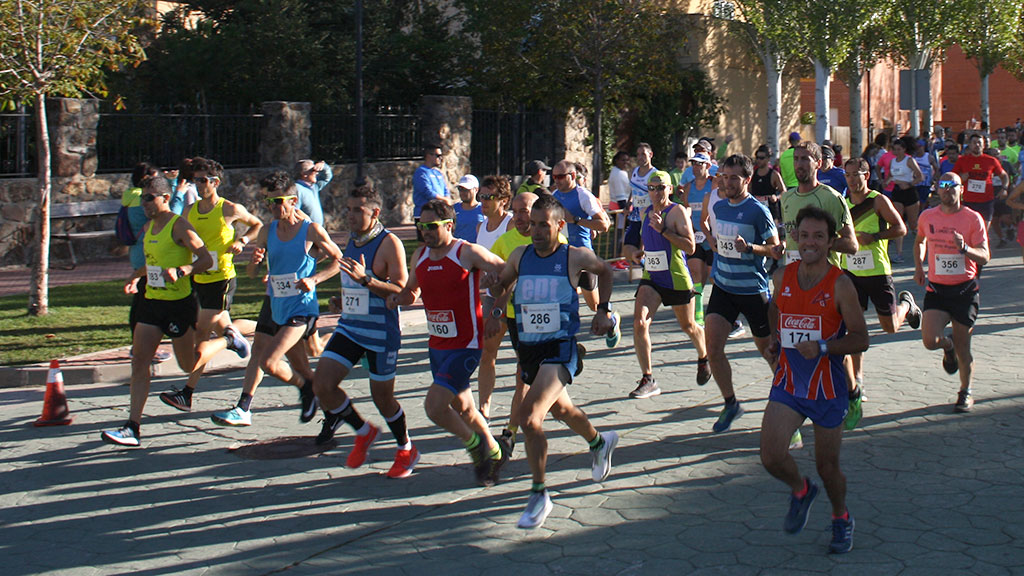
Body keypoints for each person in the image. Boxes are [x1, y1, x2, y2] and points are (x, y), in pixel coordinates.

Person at [486, 194, 619, 530]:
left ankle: (539, 493)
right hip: (529, 348)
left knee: (530, 418)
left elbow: (605, 271)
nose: (536, 231)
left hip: (560, 348)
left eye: (544, 225)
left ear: (560, 226)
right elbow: (501, 282)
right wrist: (496, 296)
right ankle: (599, 442)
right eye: (533, 224)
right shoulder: (520, 255)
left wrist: (603, 311)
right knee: (561, 411)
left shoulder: (574, 256)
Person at [761, 206, 869, 555]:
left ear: (830, 241)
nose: (810, 242)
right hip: (789, 383)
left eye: (819, 237)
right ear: (795, 236)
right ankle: (801, 489)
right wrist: (776, 340)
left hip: (828, 388)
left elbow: (861, 339)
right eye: (805, 235)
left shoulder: (840, 283)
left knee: (828, 467)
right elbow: (775, 309)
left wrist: (823, 346)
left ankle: (841, 516)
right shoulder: (782, 276)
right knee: (771, 456)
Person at [387, 199, 509, 486]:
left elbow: (508, 271)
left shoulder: (466, 252)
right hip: (437, 346)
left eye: (431, 226)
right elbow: (410, 293)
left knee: (434, 407)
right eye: (421, 226)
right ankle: (494, 450)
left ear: (449, 225)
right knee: (464, 409)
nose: (425, 231)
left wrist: (497, 306)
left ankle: (475, 446)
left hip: (466, 345)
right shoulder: (420, 256)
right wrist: (390, 297)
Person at [311, 185, 417, 478]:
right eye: (348, 209)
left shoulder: (389, 243)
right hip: (350, 327)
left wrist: (367, 280)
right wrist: (342, 299)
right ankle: (363, 430)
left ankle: (406, 447)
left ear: (375, 212)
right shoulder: (352, 241)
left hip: (380, 333)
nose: (351, 216)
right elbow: (354, 284)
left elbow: (404, 291)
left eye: (358, 210)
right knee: (322, 385)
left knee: (382, 399)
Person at [210, 172, 332, 426]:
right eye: (267, 201)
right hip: (275, 300)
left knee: (302, 353)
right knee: (264, 354)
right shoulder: (268, 230)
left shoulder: (308, 226)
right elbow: (255, 271)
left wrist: (312, 278)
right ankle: (244, 407)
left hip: (300, 303)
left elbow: (330, 257)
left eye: (276, 201)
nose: (271, 207)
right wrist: (256, 266)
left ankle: (319, 390)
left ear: (292, 201)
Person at [101, 175, 213, 446]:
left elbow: (207, 258)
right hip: (151, 303)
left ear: (165, 197)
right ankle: (132, 426)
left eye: (150, 197)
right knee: (139, 361)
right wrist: (136, 277)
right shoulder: (149, 227)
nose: (145, 203)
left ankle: (226, 341)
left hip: (179, 305)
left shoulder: (180, 226)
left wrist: (184, 269)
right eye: (142, 198)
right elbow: (153, 263)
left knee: (188, 364)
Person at [157, 157, 262, 413]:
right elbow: (184, 238)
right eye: (197, 180)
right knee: (213, 331)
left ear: (216, 182)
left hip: (221, 278)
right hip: (198, 278)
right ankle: (256, 331)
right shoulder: (190, 210)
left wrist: (243, 241)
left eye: (205, 180)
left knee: (200, 333)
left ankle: (187, 392)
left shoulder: (229, 208)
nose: (200, 184)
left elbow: (257, 224)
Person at [703, 154, 781, 433]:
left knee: (769, 352)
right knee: (712, 348)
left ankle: (789, 409)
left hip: (752, 290)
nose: (727, 182)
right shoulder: (720, 206)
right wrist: (714, 242)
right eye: (724, 176)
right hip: (723, 287)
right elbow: (712, 232)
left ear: (747, 180)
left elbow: (776, 248)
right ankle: (731, 403)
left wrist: (749, 248)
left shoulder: (758, 210)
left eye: (734, 177)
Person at [840, 157, 918, 429]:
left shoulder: (878, 201)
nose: (851, 179)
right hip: (850, 274)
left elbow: (901, 229)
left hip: (877, 272)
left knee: (889, 328)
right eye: (848, 175)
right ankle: (858, 380)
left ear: (866, 174)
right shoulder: (843, 204)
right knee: (854, 330)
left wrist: (874, 237)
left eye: (856, 174)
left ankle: (906, 306)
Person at [621, 170, 710, 398]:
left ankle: (703, 356)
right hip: (652, 278)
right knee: (640, 322)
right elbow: (632, 245)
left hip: (677, 278)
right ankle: (648, 378)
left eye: (661, 187)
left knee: (688, 326)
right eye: (652, 188)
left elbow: (690, 247)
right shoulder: (643, 212)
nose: (656, 192)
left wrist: (664, 230)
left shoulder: (677, 212)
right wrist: (636, 255)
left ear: (670, 189)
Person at [913, 173, 990, 412]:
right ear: (937, 190)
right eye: (942, 186)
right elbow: (919, 241)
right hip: (937, 288)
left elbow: (985, 256)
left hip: (964, 290)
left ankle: (965, 391)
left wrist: (965, 248)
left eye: (951, 186)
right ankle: (947, 348)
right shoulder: (927, 216)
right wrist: (918, 266)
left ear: (961, 190)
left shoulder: (972, 219)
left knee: (964, 347)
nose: (946, 190)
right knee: (929, 340)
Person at [550, 160, 617, 331]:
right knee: (558, 301)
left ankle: (612, 320)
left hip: (582, 256)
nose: (556, 180)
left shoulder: (583, 195)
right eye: (554, 176)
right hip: (561, 254)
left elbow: (604, 225)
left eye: (560, 176)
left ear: (572, 176)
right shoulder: (555, 195)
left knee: (594, 305)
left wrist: (577, 221)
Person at [774, 142, 858, 269]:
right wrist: (784, 244)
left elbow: (851, 245)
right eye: (796, 159)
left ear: (818, 163)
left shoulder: (831, 198)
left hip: (824, 276)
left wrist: (812, 240)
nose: (799, 164)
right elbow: (793, 237)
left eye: (805, 159)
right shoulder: (787, 198)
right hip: (795, 274)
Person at [475, 175, 515, 420]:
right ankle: (484, 407)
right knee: (487, 352)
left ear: (504, 200)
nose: (484, 201)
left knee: (527, 356)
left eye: (489, 197)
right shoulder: (480, 227)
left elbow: (516, 267)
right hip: (492, 296)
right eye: (481, 196)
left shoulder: (511, 225)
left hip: (516, 297)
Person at [682, 151, 716, 326]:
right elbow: (687, 208)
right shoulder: (688, 187)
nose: (696, 167)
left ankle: (723, 312)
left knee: (712, 276)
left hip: (711, 235)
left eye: (699, 164)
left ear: (708, 166)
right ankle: (699, 312)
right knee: (695, 273)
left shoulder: (715, 184)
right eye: (693, 164)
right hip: (695, 234)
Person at [952, 133, 1008, 240]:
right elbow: (948, 181)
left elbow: (1004, 175)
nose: (977, 145)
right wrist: (960, 179)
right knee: (968, 231)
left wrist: (1004, 188)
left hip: (986, 201)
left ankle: (982, 254)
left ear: (984, 145)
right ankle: (969, 253)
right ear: (969, 145)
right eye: (974, 143)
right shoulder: (962, 160)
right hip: (968, 202)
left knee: (982, 232)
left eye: (979, 143)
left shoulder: (991, 160)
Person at [882, 137, 924, 264]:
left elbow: (920, 176)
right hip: (897, 193)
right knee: (898, 222)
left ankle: (923, 247)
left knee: (913, 225)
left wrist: (909, 184)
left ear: (904, 149)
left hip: (910, 193)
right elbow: (890, 175)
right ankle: (899, 253)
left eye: (899, 149)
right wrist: (886, 182)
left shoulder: (909, 160)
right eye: (894, 149)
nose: (896, 152)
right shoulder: (893, 161)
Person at [412, 144, 451, 240]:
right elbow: (427, 192)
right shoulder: (421, 172)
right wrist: (444, 200)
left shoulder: (438, 173)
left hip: (438, 213)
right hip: (424, 214)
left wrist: (447, 198)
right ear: (428, 156)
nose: (440, 158)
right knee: (425, 242)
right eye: (437, 155)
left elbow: (445, 190)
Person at [293, 159, 333, 226]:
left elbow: (327, 177)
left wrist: (323, 165)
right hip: (305, 231)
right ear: (303, 173)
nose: (317, 173)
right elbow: (294, 212)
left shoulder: (314, 187)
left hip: (316, 230)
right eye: (313, 170)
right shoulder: (297, 189)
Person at [452, 174, 483, 242]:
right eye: (460, 189)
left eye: (466, 189)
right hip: (457, 250)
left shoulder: (484, 209)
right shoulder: (453, 209)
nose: (463, 192)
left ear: (476, 190)